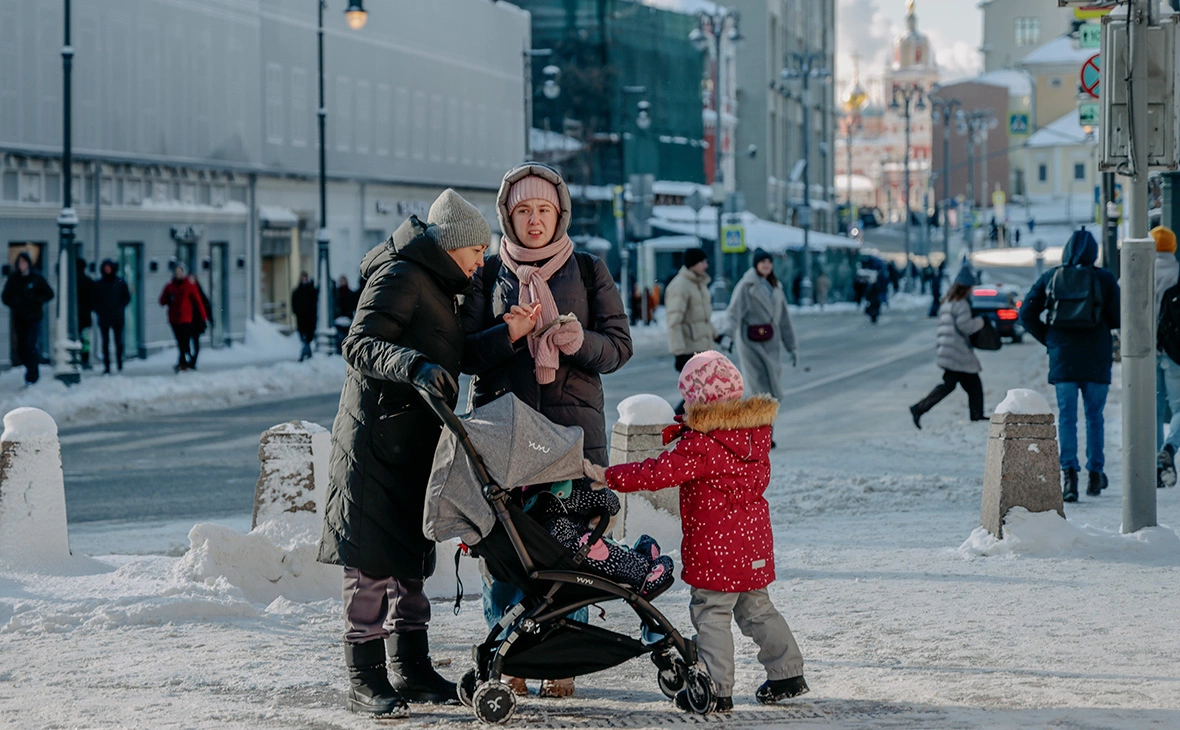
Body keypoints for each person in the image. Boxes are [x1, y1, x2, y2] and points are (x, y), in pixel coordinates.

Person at [317, 188, 491, 717]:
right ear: (452, 244)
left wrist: (510, 333)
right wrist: (413, 365)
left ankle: (411, 667)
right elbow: (360, 344)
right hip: (375, 444)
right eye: (477, 251)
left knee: (411, 562)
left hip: (413, 442)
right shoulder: (400, 274)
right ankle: (364, 675)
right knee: (371, 565)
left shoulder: (439, 283)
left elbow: (457, 352)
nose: (481, 261)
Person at [462, 162, 632, 698]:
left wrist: (580, 342)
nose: (534, 221)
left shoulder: (587, 269)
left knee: (565, 550)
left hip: (570, 435)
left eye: (543, 210)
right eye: (523, 211)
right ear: (507, 216)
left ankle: (559, 662)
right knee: (507, 551)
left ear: (560, 213)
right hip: (504, 434)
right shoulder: (488, 273)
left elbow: (620, 347)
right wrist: (507, 335)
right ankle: (510, 658)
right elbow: (465, 353)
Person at [599, 351, 808, 714]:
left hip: (716, 547)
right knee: (757, 607)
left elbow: (657, 472)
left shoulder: (704, 444)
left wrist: (608, 475)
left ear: (698, 400)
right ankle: (787, 672)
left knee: (711, 612)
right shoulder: (753, 436)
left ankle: (715, 687)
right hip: (753, 542)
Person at [1020, 229, 1120, 503]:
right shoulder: (1104, 278)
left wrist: (1050, 340)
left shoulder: (1051, 277)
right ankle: (1096, 474)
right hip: (1096, 358)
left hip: (1063, 357)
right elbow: (1118, 317)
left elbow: (1026, 313)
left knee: (1067, 417)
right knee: (1095, 416)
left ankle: (1069, 476)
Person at [726, 250, 796, 437]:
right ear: (755, 264)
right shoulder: (745, 286)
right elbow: (733, 313)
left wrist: (791, 346)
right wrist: (728, 335)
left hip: (772, 344)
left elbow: (784, 319)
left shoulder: (776, 287)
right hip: (751, 344)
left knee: (772, 392)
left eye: (769, 261)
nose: (766, 265)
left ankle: (764, 434)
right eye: (762, 262)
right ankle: (759, 436)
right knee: (759, 391)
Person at [909, 266, 986, 428]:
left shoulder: (948, 301)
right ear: (965, 288)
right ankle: (976, 415)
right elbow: (965, 326)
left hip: (949, 350)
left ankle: (920, 408)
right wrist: (981, 322)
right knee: (973, 385)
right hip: (957, 352)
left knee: (950, 385)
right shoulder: (961, 304)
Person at [665, 247, 716, 411]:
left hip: (702, 350)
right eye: (702, 262)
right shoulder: (680, 286)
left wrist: (718, 336)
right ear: (692, 264)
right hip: (689, 350)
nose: (706, 265)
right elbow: (674, 322)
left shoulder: (699, 284)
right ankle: (675, 422)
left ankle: (689, 428)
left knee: (703, 393)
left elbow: (702, 320)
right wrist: (679, 352)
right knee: (699, 394)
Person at [1153, 226, 1180, 487]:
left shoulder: (1138, 271)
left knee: (1152, 410)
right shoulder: (1177, 272)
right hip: (1175, 352)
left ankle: (1154, 468)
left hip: (1145, 352)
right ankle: (1169, 450)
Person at [2, 252, 54, 386]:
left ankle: (33, 375)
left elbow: (49, 293)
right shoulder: (14, 279)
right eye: (20, 263)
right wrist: (16, 303)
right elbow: (5, 296)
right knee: (21, 347)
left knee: (30, 345)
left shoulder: (36, 278)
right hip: (20, 317)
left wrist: (37, 300)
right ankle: (29, 368)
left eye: (24, 262)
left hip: (34, 317)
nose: (22, 265)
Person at [158, 265, 206, 372]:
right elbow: (161, 301)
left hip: (186, 318)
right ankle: (183, 362)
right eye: (176, 272)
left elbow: (198, 302)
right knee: (179, 341)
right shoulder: (169, 287)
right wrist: (168, 299)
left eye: (180, 272)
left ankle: (183, 362)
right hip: (174, 319)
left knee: (184, 341)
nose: (178, 274)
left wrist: (203, 317)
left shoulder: (189, 286)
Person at [92, 259, 131, 374]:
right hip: (104, 317)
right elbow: (94, 300)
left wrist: (119, 307)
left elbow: (127, 297)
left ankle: (119, 362)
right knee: (105, 342)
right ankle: (107, 365)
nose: (107, 270)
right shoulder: (99, 284)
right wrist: (99, 310)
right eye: (105, 268)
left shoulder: (120, 282)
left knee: (118, 341)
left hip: (117, 316)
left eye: (109, 268)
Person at [291, 272, 319, 362]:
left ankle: (305, 353)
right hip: (301, 318)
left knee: (308, 337)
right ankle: (307, 352)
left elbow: (315, 299)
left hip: (310, 318)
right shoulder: (297, 291)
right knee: (303, 336)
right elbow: (294, 303)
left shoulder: (311, 290)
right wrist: (296, 312)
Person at [188, 275, 212, 369]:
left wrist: (208, 318)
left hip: (197, 321)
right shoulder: (186, 292)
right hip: (188, 320)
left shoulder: (199, 292)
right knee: (185, 342)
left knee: (195, 342)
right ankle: (190, 359)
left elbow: (206, 305)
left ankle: (193, 360)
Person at [76, 258, 96, 370]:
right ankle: (84, 359)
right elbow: (94, 299)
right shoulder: (88, 281)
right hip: (85, 316)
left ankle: (77, 358)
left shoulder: (71, 282)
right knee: (85, 340)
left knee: (76, 339)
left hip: (76, 317)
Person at [335, 275, 359, 354]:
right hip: (339, 318)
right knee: (340, 337)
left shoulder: (349, 293)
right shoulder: (337, 293)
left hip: (347, 317)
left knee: (345, 336)